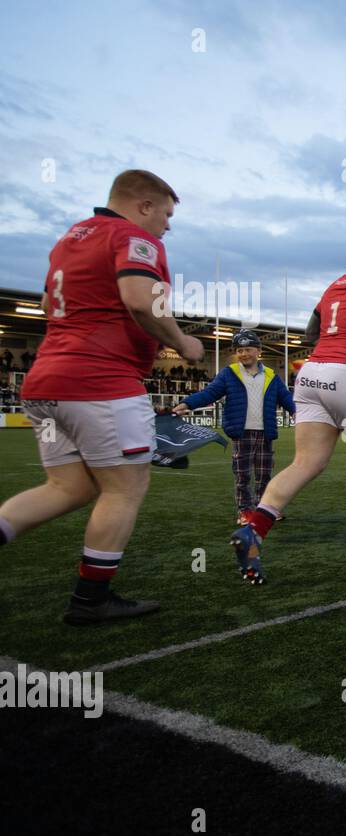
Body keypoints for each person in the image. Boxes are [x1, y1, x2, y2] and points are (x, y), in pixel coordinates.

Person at [0, 169, 204, 623]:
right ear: (143, 205)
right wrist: (182, 343)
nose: (167, 225)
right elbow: (137, 298)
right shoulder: (133, 237)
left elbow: (51, 299)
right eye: (166, 214)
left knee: (68, 486)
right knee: (124, 490)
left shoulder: (71, 238)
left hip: (47, 381)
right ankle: (91, 598)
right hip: (99, 382)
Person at [230, 236, 346, 582]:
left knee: (305, 462)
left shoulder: (335, 286)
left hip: (313, 372)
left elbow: (312, 330)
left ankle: (254, 530)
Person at [174, 330, 296, 524]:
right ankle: (245, 511)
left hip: (266, 433)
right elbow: (209, 393)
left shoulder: (272, 375)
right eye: (239, 350)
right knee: (243, 475)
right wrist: (187, 404)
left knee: (264, 475)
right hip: (241, 433)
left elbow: (287, 399)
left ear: (258, 351)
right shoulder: (229, 373)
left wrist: (297, 412)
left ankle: (264, 508)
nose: (243, 353)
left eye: (248, 349)